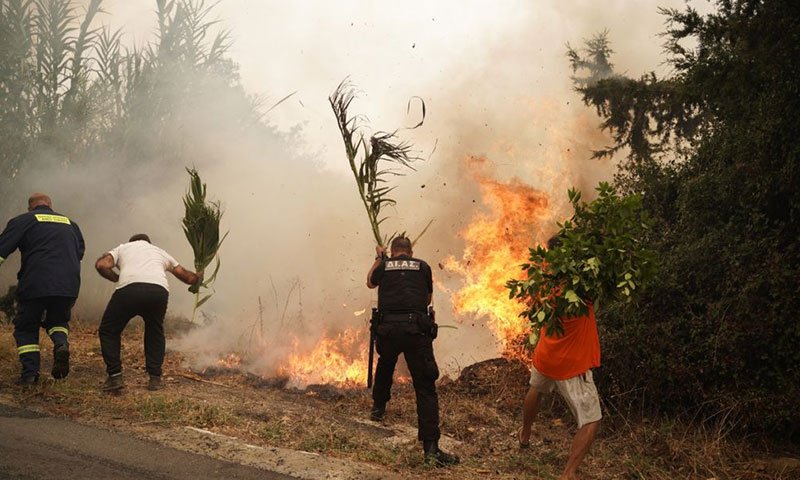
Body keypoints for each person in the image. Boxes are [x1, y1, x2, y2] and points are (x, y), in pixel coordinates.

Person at [367, 235, 459, 467]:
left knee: (386, 364)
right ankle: (431, 450)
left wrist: (379, 257)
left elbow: (370, 282)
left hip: (387, 330)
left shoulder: (384, 265)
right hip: (416, 332)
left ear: (394, 250)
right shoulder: (423, 266)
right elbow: (427, 298)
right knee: (425, 387)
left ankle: (378, 409)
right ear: (410, 250)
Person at [518, 236, 602, 480]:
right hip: (572, 365)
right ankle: (568, 473)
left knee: (535, 389)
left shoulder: (542, 284)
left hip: (545, 356)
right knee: (591, 420)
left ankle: (524, 435)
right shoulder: (580, 288)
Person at [95, 233, 200, 391]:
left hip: (129, 290)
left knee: (109, 330)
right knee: (154, 331)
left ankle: (115, 377)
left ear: (133, 242)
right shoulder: (159, 251)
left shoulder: (123, 248)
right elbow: (188, 278)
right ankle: (155, 378)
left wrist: (115, 277)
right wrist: (198, 276)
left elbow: (102, 265)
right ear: (149, 243)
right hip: (157, 292)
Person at [0, 193, 85, 385]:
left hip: (36, 283)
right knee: (58, 320)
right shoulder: (71, 223)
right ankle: (61, 344)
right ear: (50, 206)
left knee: (26, 326)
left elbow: (2, 250)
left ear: (30, 208)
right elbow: (79, 253)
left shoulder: (24, 220)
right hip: (68, 284)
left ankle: (30, 375)